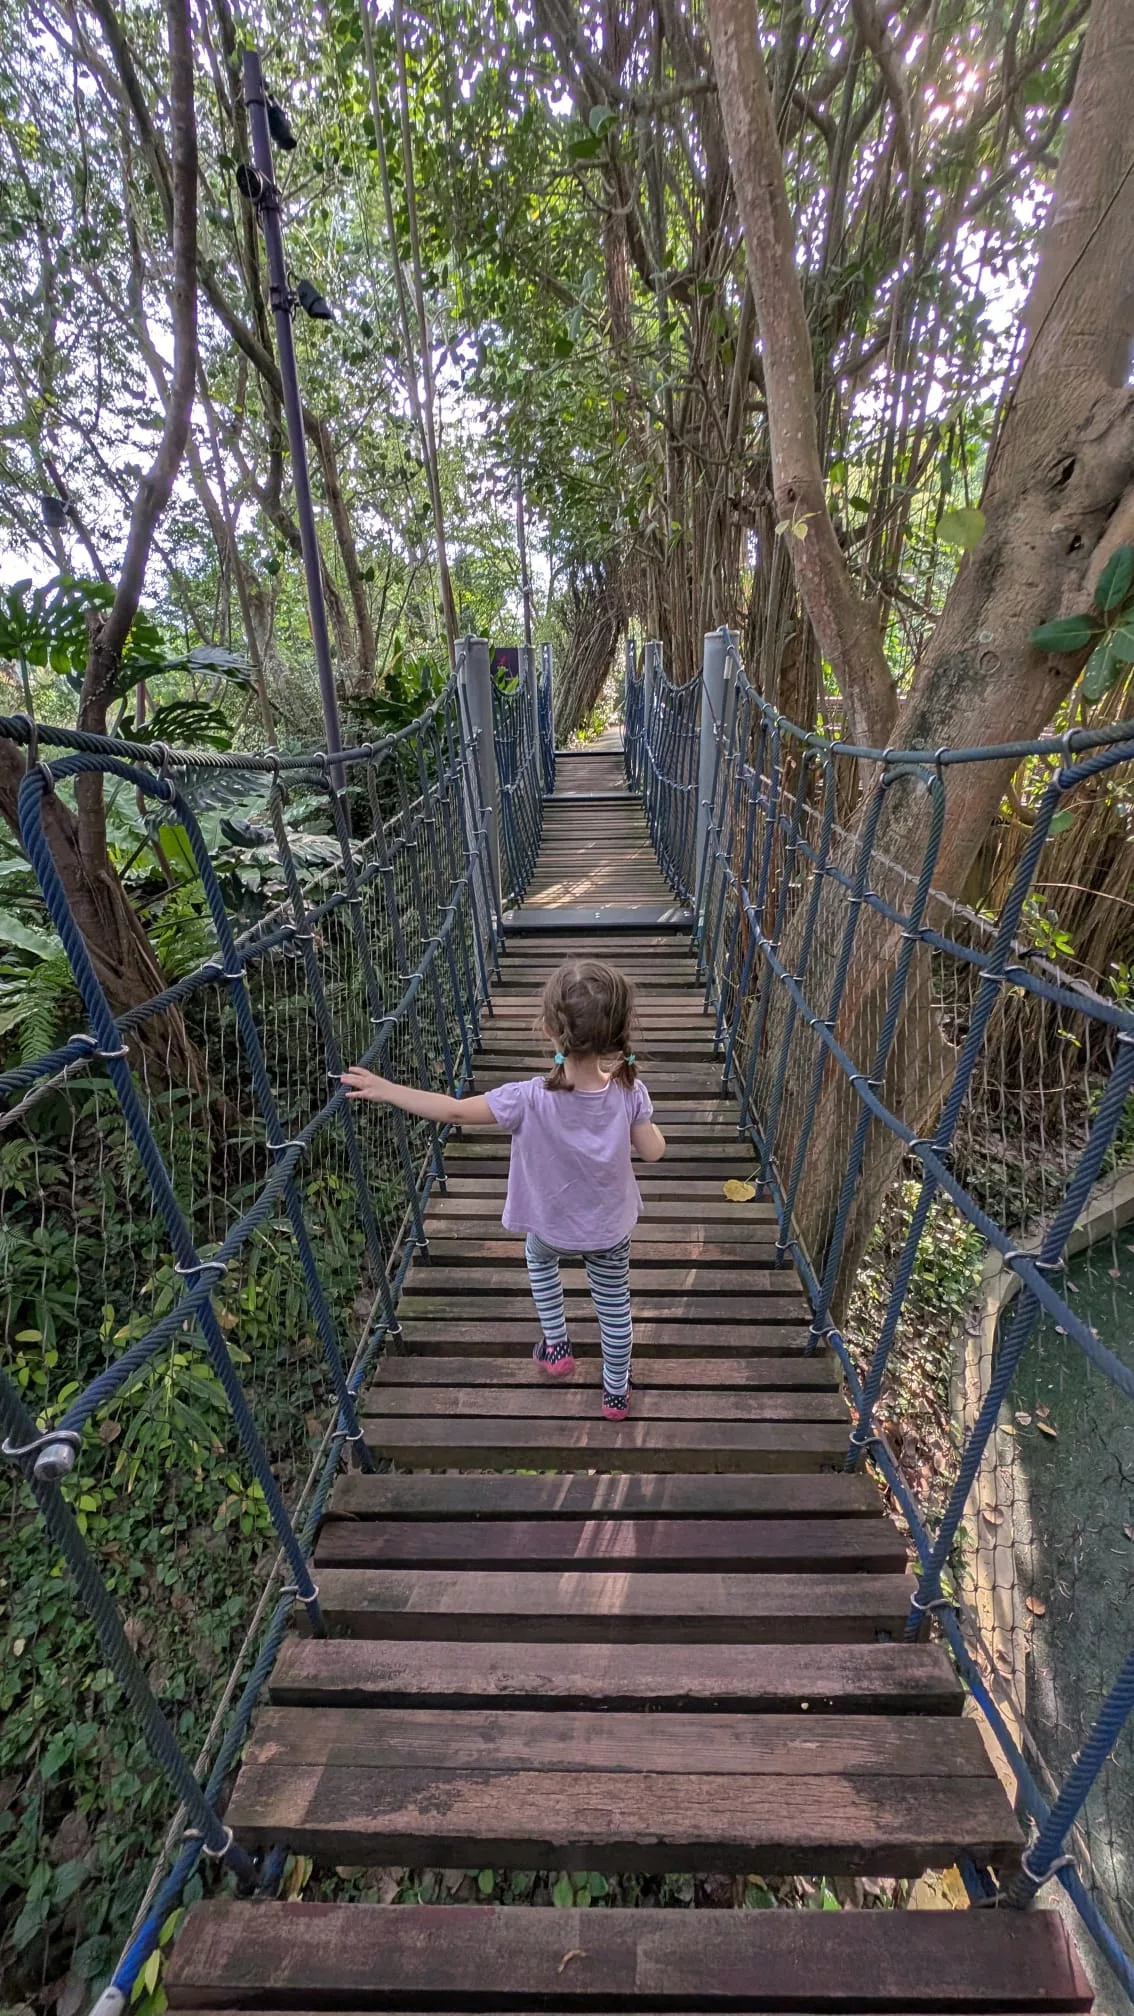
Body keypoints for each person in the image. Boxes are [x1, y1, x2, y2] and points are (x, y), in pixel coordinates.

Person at [341, 957, 666, 1419]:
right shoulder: (631, 1092)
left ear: (552, 1030)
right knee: (614, 1305)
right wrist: (649, 1127)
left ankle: (556, 1348)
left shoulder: (526, 1097)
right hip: (608, 1230)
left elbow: (453, 1112)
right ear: (616, 1032)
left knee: (538, 1257)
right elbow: (652, 1153)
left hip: (551, 1226)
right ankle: (616, 1393)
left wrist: (388, 1089)